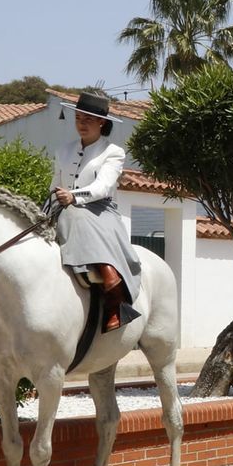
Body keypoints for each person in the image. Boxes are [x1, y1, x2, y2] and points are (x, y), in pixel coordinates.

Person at [50, 91, 142, 333]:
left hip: (100, 210)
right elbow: (54, 186)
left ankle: (114, 287)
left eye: (88, 119)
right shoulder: (63, 151)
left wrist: (74, 197)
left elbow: (102, 187)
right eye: (79, 118)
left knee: (75, 214)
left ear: (102, 122)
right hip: (64, 207)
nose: (82, 123)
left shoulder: (114, 152)